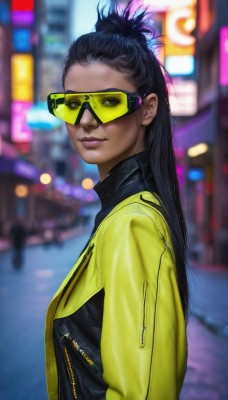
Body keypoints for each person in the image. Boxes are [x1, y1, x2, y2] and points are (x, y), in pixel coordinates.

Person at [45, 2, 189, 399]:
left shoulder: (133, 224)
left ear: (147, 109)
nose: (86, 120)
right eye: (73, 103)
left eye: (108, 101)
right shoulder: (120, 213)